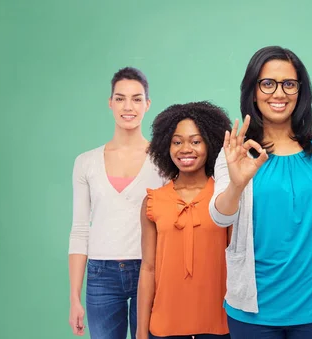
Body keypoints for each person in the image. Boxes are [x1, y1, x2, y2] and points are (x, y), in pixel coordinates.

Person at [209, 46, 312, 339]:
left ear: (300, 92)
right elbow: (219, 218)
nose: (279, 93)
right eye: (268, 83)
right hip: (254, 314)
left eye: (289, 84)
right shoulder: (236, 153)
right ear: (253, 91)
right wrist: (237, 183)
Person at [68, 67, 164, 338]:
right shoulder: (85, 162)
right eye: (120, 98)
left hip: (151, 268)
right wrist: (74, 297)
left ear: (147, 104)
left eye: (136, 98)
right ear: (110, 103)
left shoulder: (163, 160)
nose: (128, 106)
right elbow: (79, 230)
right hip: (101, 275)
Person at [136, 101, 232, 339]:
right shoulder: (153, 201)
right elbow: (148, 269)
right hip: (165, 326)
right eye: (177, 142)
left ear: (210, 144)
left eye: (195, 141)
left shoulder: (226, 199)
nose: (185, 149)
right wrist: (140, 330)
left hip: (220, 326)